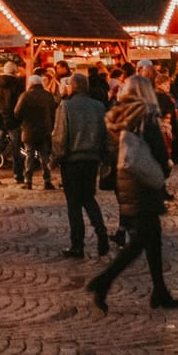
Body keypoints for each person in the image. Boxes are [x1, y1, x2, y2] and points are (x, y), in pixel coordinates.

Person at [87, 74, 177, 311]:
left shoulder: (117, 114)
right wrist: (165, 168)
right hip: (143, 183)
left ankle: (160, 290)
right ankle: (103, 281)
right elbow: (158, 150)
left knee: (151, 239)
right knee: (140, 241)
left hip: (125, 180)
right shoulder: (144, 116)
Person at [52, 72, 112, 259]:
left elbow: (61, 135)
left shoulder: (66, 106)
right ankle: (101, 231)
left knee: (74, 204)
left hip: (72, 160)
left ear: (74, 86)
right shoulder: (99, 106)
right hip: (92, 159)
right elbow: (106, 134)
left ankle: (77, 245)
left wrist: (57, 157)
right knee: (88, 198)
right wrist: (104, 157)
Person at [15, 73, 58, 190]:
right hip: (45, 130)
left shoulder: (25, 96)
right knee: (45, 156)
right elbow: (54, 113)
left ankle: (28, 181)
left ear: (31, 84)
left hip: (29, 129)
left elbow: (17, 113)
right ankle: (47, 180)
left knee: (29, 155)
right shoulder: (48, 96)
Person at [0, 59, 26, 185]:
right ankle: (18, 175)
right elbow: (20, 103)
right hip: (13, 120)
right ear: (15, 71)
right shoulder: (18, 84)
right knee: (16, 148)